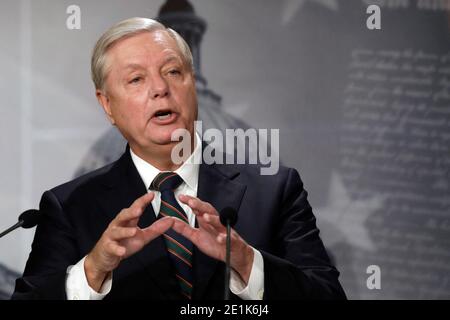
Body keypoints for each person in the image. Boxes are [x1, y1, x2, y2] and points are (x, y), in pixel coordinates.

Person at [12, 17, 346, 300]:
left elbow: (327, 295)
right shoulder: (70, 206)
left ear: (192, 85)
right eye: (136, 79)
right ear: (107, 104)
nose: (160, 88)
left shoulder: (275, 190)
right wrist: (92, 270)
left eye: (173, 72)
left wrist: (247, 263)